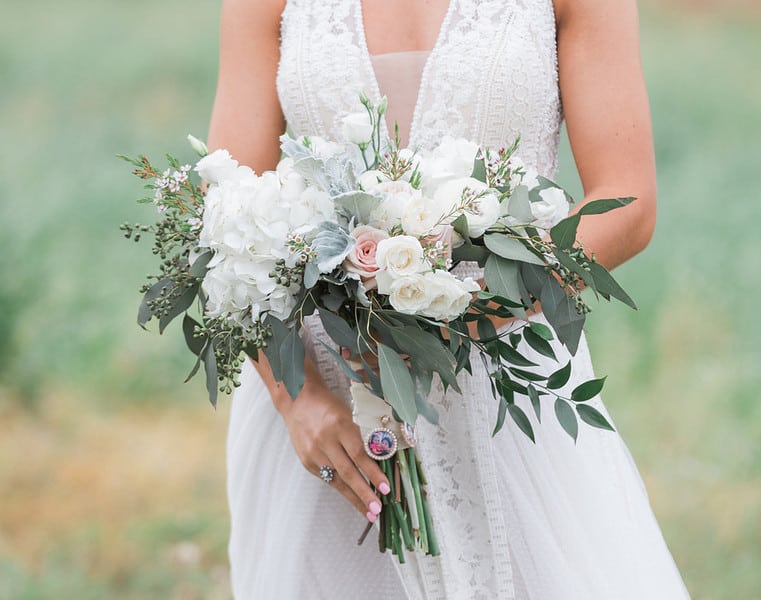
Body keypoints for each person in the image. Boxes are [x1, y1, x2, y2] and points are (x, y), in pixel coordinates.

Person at [208, 0, 690, 597]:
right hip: (326, 405)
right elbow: (229, 212)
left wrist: (471, 313)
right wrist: (297, 399)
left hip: (505, 382)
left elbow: (626, 202)